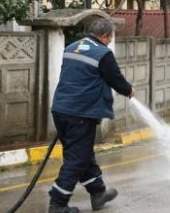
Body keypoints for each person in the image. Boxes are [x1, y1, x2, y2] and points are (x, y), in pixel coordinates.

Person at [48, 19, 134, 213]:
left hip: (60, 109)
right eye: (110, 38)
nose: (110, 41)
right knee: (76, 158)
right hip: (80, 113)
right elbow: (116, 80)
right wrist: (129, 90)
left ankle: (98, 193)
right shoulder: (103, 53)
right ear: (104, 36)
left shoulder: (71, 47)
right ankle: (57, 204)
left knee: (83, 153)